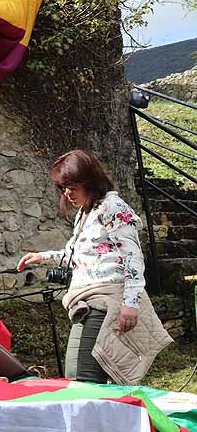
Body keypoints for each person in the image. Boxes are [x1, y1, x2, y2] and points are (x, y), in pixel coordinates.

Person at [17, 149, 171, 384]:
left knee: (83, 377)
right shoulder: (86, 212)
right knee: (80, 376)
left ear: (89, 181)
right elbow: (78, 256)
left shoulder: (112, 207)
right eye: (64, 188)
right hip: (88, 301)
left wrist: (130, 304)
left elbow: (133, 258)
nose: (67, 194)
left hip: (105, 302)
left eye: (72, 187)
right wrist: (41, 257)